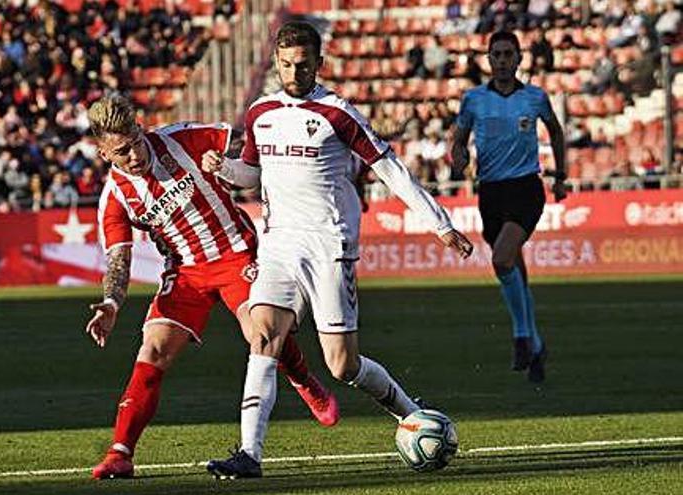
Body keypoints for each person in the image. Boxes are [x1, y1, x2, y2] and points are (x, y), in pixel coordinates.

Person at [203, 21, 473, 478]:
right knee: (263, 334)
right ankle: (249, 453)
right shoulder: (260, 112)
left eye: (304, 65)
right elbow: (252, 174)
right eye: (287, 65)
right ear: (276, 63)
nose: (295, 73)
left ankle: (410, 412)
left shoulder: (337, 112)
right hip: (279, 243)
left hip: (328, 244)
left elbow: (389, 168)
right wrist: (224, 168)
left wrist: (439, 224)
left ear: (319, 64)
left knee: (342, 365)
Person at [84, 95, 339, 479]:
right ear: (104, 153)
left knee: (260, 332)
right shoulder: (116, 198)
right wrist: (110, 303)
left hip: (237, 254)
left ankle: (303, 379)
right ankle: (121, 452)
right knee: (153, 348)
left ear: (141, 127)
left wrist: (233, 168)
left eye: (136, 140)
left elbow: (250, 147)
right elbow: (119, 261)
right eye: (121, 151)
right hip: (186, 273)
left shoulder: (184, 139)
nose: (134, 155)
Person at [451, 31, 567, 384]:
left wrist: (560, 175)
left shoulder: (535, 97)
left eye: (508, 54)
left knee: (501, 259)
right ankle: (538, 346)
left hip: (525, 189)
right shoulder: (473, 100)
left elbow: (556, 132)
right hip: (491, 193)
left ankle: (521, 337)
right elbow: (458, 140)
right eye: (496, 54)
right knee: (514, 270)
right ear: (489, 59)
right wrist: (459, 156)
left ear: (519, 59)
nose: (501, 60)